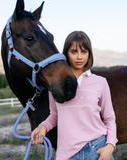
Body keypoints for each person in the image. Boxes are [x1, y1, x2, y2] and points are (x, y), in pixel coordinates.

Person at [31, 31, 118, 160]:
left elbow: (109, 118)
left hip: (97, 150)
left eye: (84, 52)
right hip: (67, 154)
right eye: (74, 51)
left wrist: (110, 146)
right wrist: (43, 126)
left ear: (89, 54)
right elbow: (55, 115)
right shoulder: (56, 84)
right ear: (66, 53)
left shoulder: (100, 82)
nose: (79, 57)